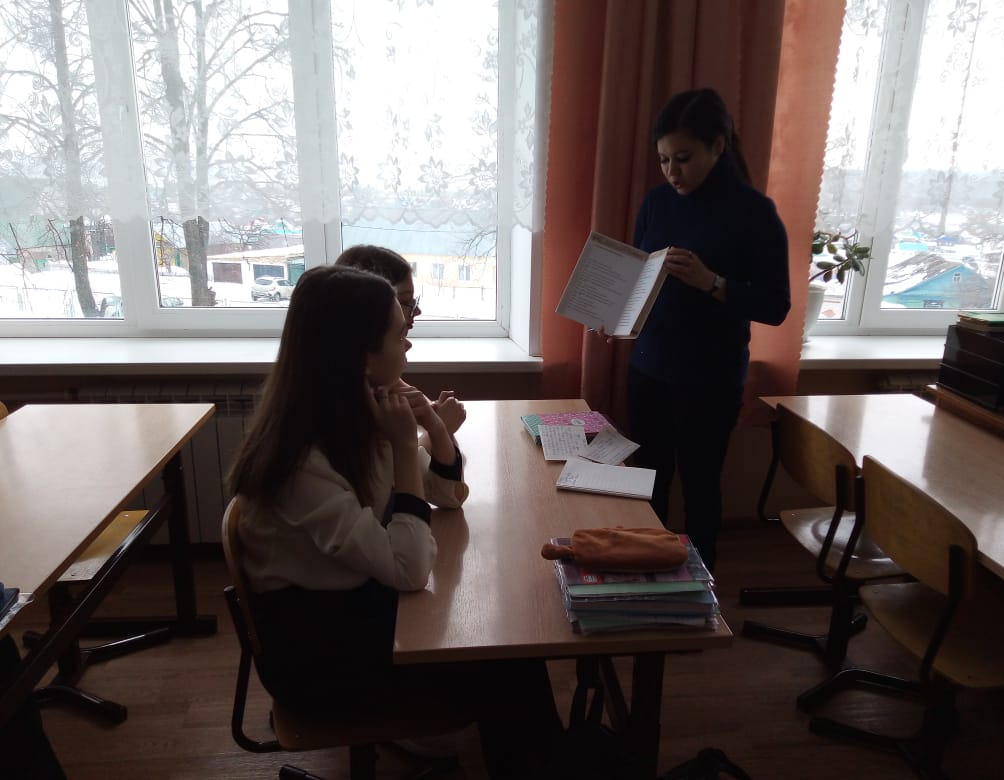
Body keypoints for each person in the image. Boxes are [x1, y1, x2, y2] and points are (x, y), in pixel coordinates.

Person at [227, 265, 561, 778]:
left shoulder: (352, 415)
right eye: (399, 334)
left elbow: (445, 496)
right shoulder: (302, 462)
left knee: (512, 648)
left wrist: (431, 428)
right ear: (362, 356)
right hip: (319, 660)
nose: (408, 346)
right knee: (506, 661)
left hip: (353, 608)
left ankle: (549, 761)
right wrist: (406, 446)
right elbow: (409, 568)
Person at [624, 88, 790, 570]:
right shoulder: (657, 203)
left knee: (700, 487)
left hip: (710, 378)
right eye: (663, 160)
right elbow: (639, 276)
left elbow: (776, 306)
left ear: (718, 146)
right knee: (647, 482)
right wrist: (614, 314)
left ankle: (702, 589)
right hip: (648, 367)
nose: (672, 172)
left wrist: (712, 282)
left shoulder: (755, 213)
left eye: (683, 158)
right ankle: (646, 578)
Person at [335, 244, 467, 444]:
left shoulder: (379, 371)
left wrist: (432, 414)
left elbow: (418, 402)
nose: (417, 311)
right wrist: (440, 429)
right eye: (406, 302)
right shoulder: (352, 394)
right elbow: (402, 459)